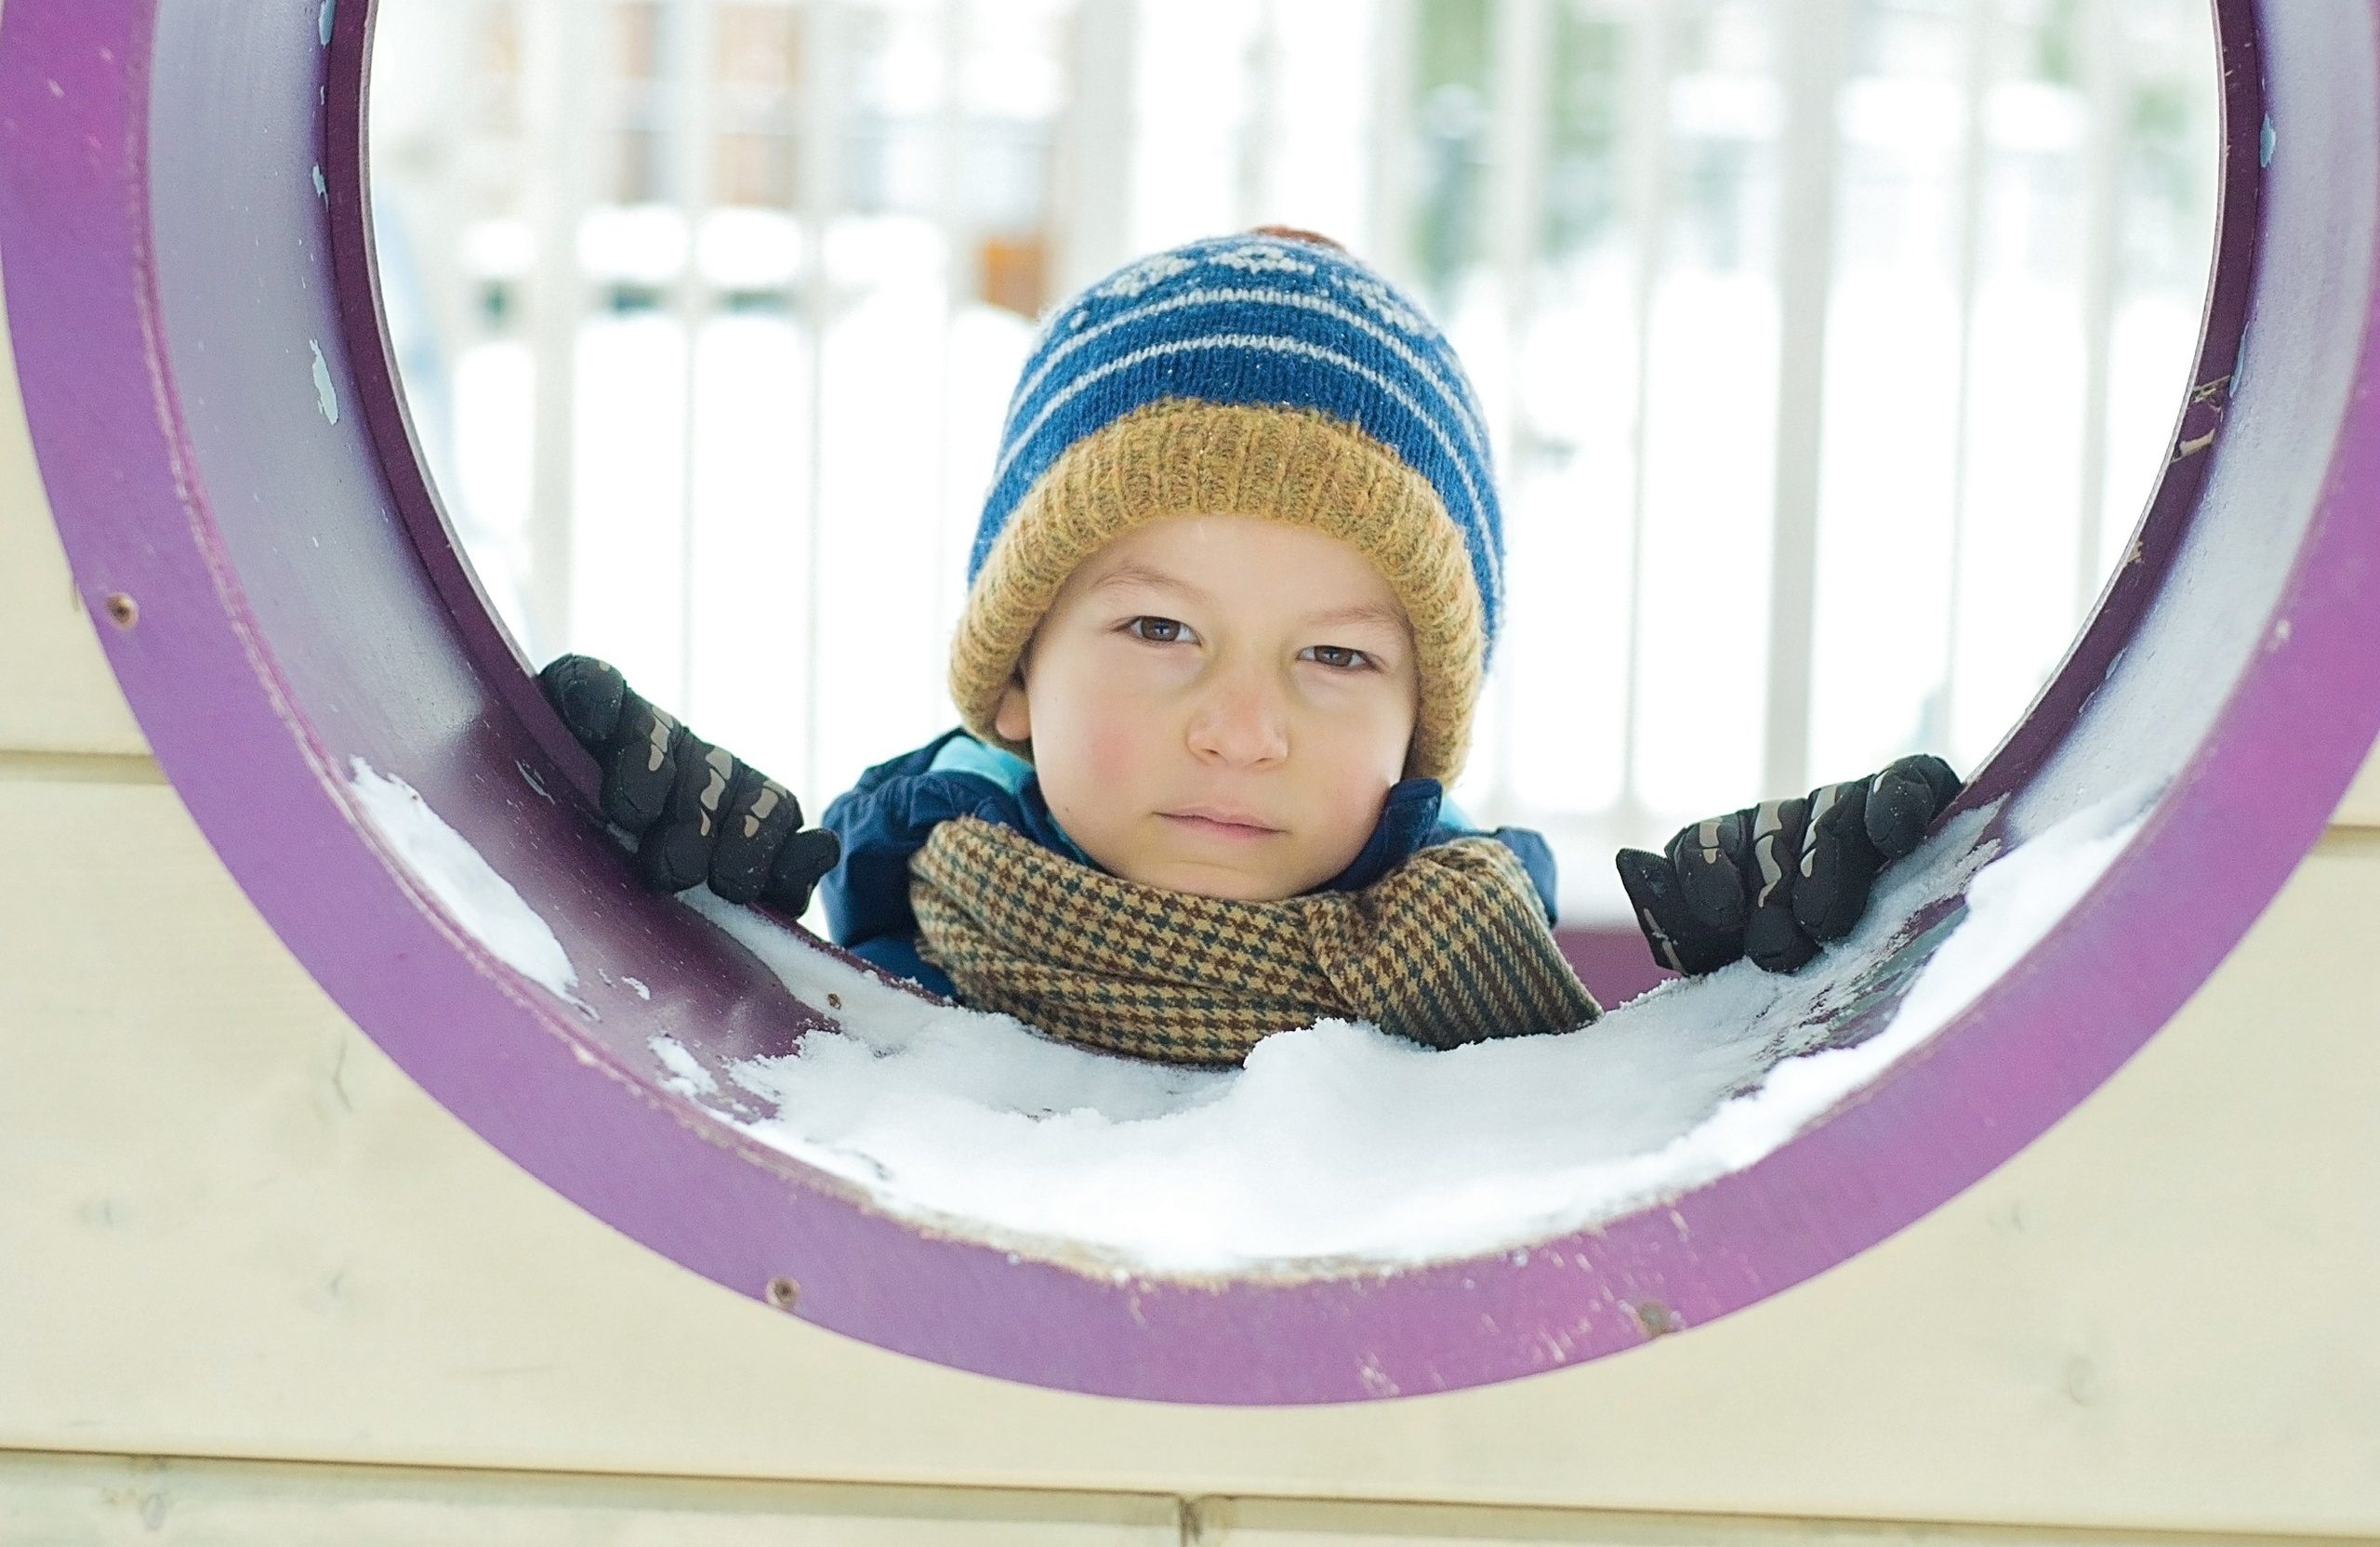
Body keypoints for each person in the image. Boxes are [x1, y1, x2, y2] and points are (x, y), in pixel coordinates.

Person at [539, 229, 1957, 1068]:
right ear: (1018, 672)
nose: (1240, 728)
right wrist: (690, 918)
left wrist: (1750, 1007)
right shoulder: (883, 936)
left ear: (1423, 723)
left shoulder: (1478, 999)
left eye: (1335, 660)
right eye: (1161, 629)